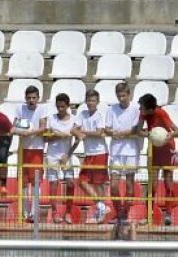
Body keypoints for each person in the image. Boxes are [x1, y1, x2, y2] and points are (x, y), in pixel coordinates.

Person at [138, 93, 178, 227]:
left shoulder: (161, 113)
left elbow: (177, 131)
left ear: (150, 109)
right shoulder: (143, 114)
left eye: (142, 107)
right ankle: (148, 215)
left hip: (167, 149)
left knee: (168, 183)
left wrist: (169, 135)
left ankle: (168, 214)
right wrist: (148, 134)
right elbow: (139, 130)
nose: (140, 109)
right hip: (154, 150)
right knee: (153, 184)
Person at [107, 83, 143, 221]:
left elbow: (135, 129)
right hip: (116, 151)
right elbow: (107, 128)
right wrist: (112, 132)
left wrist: (120, 133)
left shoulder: (135, 109)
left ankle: (125, 213)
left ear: (129, 95)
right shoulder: (112, 109)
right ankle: (118, 211)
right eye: (119, 96)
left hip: (131, 151)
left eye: (124, 95)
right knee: (114, 185)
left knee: (129, 183)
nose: (121, 98)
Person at [12, 85, 49, 220]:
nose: (31, 100)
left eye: (34, 98)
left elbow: (43, 127)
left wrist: (31, 132)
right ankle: (24, 212)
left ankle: (34, 212)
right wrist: (21, 131)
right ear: (25, 98)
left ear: (38, 98)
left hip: (36, 149)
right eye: (29, 98)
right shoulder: (20, 108)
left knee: (35, 181)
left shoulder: (42, 109)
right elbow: (13, 127)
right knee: (22, 181)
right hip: (23, 149)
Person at [75, 89, 111, 223]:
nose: (91, 103)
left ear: (97, 102)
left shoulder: (99, 116)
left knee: (99, 183)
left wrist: (83, 131)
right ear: (86, 101)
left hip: (100, 152)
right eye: (89, 100)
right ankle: (101, 206)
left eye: (93, 101)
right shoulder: (82, 114)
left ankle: (100, 209)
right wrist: (79, 134)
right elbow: (74, 128)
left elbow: (99, 132)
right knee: (82, 181)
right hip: (89, 153)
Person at [43, 93, 79, 224]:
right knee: (53, 184)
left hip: (66, 154)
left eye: (63, 106)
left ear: (67, 106)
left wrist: (69, 154)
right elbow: (45, 138)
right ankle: (54, 213)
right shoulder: (51, 119)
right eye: (58, 106)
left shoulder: (74, 119)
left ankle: (68, 212)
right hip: (52, 154)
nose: (60, 109)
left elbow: (78, 139)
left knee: (70, 183)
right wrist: (57, 135)